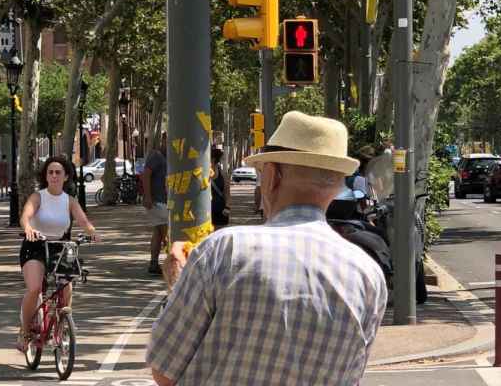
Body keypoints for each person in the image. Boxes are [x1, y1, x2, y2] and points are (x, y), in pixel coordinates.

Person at [146, 111, 387, 386]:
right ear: (336, 187)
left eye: (261, 172)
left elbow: (164, 372)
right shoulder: (367, 274)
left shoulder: (225, 249)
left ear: (272, 177)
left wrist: (179, 284)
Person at [18, 155, 99, 351]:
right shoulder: (38, 197)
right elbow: (25, 216)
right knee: (35, 289)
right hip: (35, 246)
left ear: (66, 177)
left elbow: (83, 221)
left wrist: (92, 232)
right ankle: (25, 330)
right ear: (46, 176)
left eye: (58, 172)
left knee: (67, 284)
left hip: (60, 247)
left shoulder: (69, 201)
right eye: (50, 172)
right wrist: (28, 228)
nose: (54, 176)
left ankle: (63, 321)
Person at [141, 134, 168, 276]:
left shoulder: (171, 157)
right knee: (167, 234)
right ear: (163, 140)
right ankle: (174, 263)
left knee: (158, 232)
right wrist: (148, 197)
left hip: (163, 201)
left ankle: (153, 262)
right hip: (158, 202)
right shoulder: (157, 155)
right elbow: (146, 174)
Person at [210, 147, 230, 228]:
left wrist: (227, 207)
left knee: (220, 235)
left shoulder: (223, 174)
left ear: (213, 159)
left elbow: (227, 192)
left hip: (221, 210)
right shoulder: (202, 173)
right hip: (206, 211)